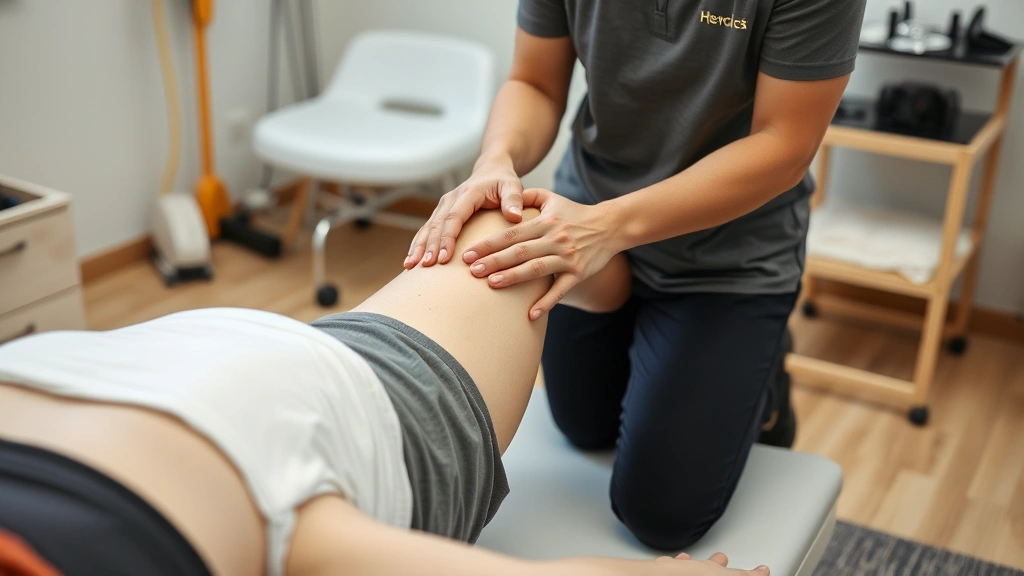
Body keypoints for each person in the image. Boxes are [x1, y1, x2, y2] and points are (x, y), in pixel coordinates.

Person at [0, 210, 768, 576]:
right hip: (355, 406)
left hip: (193, 362)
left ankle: (674, 321)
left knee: (518, 224)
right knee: (513, 229)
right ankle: (685, 332)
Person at [404, 0, 868, 551]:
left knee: (661, 516)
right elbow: (534, 81)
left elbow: (784, 145)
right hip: (591, 223)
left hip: (726, 258)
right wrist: (496, 161)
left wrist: (609, 227)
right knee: (582, 427)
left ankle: (762, 380)